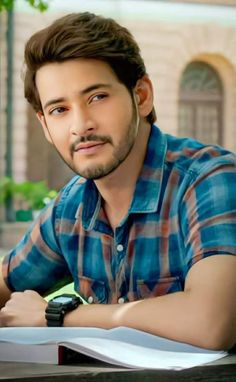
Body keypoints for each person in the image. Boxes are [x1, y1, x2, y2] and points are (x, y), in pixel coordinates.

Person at [0, 12, 235, 350]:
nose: (80, 125)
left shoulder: (209, 179)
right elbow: (6, 283)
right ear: (45, 126)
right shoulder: (71, 208)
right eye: (59, 110)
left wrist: (59, 316)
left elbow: (213, 322)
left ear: (141, 96)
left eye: (97, 97)